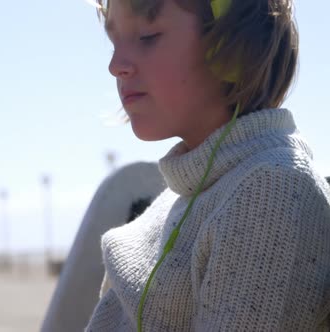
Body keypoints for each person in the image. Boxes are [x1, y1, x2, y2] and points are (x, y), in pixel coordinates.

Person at [85, 0, 330, 331]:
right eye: (115, 43)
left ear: (235, 51)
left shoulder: (272, 193)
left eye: (147, 35)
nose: (116, 65)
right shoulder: (181, 195)